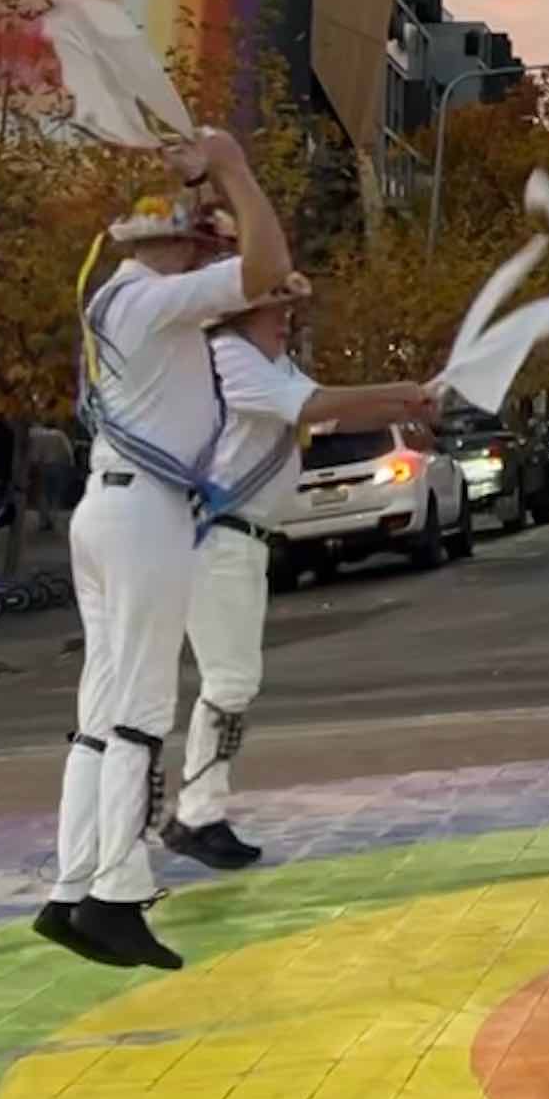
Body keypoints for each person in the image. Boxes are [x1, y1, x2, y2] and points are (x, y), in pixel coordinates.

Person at [38, 125, 289, 974]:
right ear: (177, 244)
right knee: (142, 713)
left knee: (99, 716)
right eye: (201, 237)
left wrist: (218, 184)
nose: (210, 248)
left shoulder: (119, 297)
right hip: (144, 515)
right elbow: (266, 268)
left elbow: (262, 269)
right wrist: (234, 168)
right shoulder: (152, 299)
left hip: (107, 508)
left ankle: (74, 885)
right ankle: (115, 894)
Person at [170, 274, 440, 873]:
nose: (287, 316)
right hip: (219, 540)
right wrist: (400, 388)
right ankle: (194, 813)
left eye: (289, 307)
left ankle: (197, 809)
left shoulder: (269, 365)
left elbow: (330, 417)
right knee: (229, 682)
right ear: (239, 312)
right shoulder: (229, 360)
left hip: (240, 542)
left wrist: (405, 403)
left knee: (232, 681)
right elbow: (313, 408)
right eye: (275, 306)